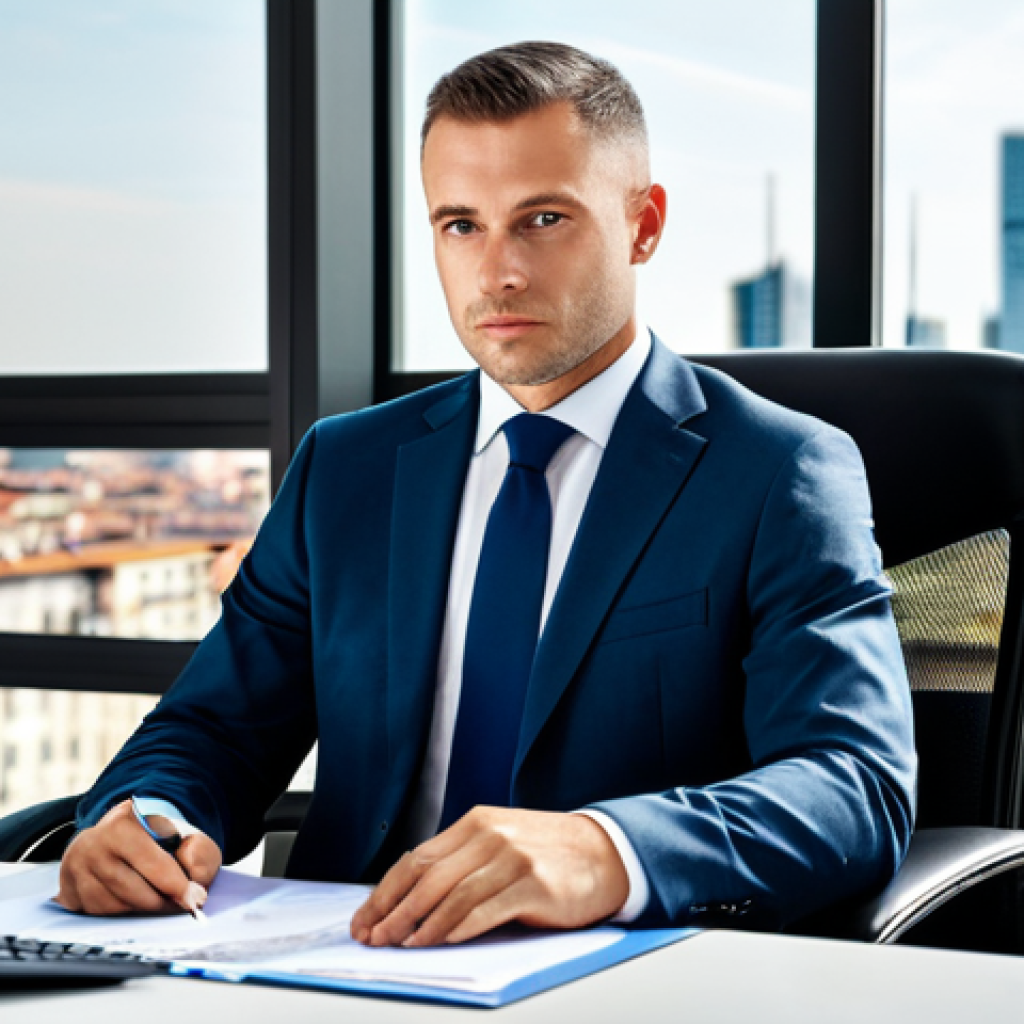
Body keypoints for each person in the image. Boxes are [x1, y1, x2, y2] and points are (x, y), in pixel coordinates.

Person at [58, 41, 916, 947]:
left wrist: (606, 850)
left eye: (543, 219)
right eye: (460, 225)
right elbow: (211, 729)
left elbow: (852, 784)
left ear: (644, 224)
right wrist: (145, 815)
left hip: (616, 975)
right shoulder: (345, 467)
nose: (496, 271)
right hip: (337, 965)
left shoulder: (779, 470)